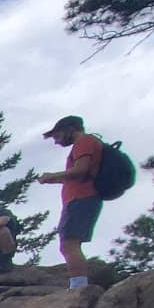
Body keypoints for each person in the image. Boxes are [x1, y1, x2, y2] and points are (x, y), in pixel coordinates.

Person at [36, 114, 102, 290]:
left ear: (70, 130)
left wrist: (53, 175)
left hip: (79, 198)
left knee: (68, 244)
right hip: (83, 197)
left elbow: (81, 169)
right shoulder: (88, 142)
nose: (56, 142)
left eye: (57, 136)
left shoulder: (84, 142)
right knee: (72, 243)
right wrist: (53, 180)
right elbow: (80, 175)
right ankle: (78, 284)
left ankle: (78, 287)